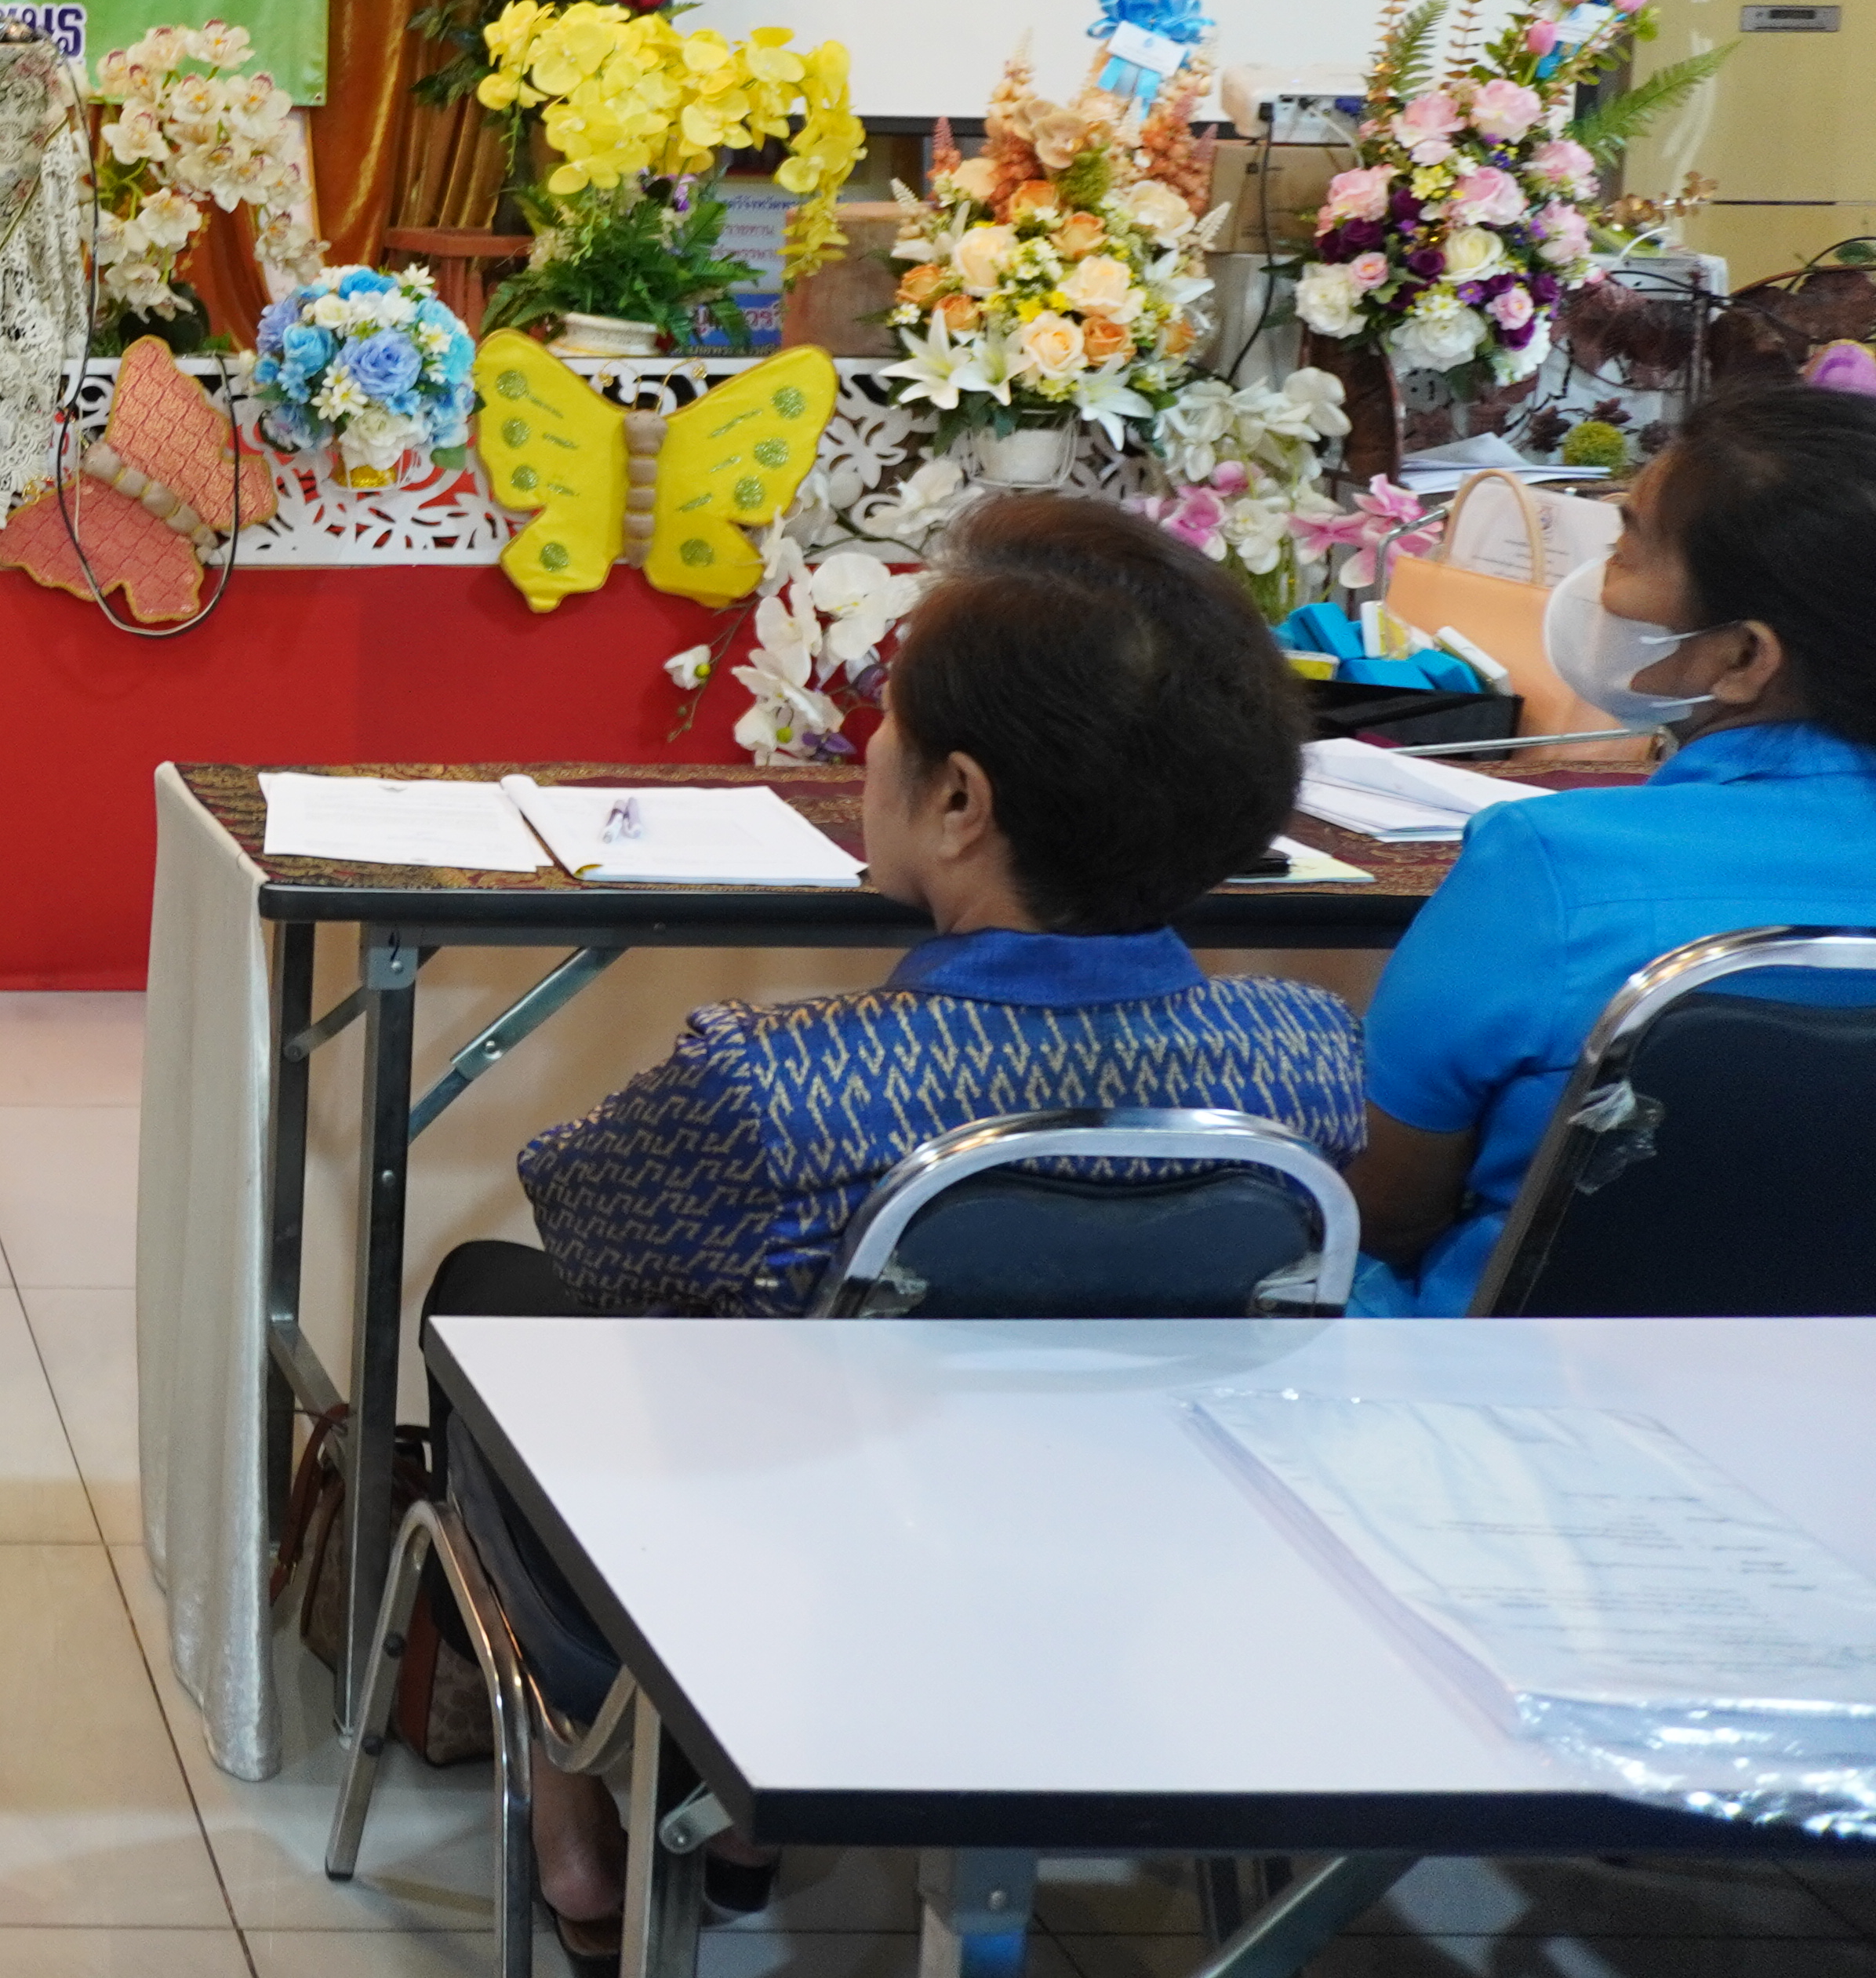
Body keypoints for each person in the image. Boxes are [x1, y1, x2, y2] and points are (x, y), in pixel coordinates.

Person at [429, 495, 1356, 1962]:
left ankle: (579, 1795)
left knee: (484, 1299)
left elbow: (586, 1225)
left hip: (793, 1563)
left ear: (960, 801)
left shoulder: (780, 1079)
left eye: (887, 726)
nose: (864, 750)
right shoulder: (1304, 1058)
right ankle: (737, 1821)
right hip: (1133, 1566)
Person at [1347, 382, 1876, 1311]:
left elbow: (1385, 1203)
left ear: (1743, 658)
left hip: (1535, 1404)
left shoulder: (1549, 866)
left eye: (1627, 542)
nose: (1598, 580)